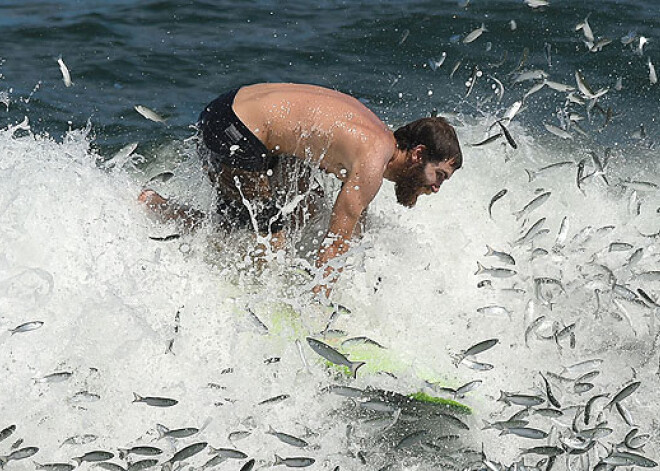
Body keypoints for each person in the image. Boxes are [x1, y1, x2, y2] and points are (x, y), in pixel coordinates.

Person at [139, 83, 462, 294]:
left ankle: (164, 208)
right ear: (418, 154)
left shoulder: (376, 136)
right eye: (439, 176)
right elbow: (336, 243)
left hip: (234, 111)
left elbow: (350, 220)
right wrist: (319, 311)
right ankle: (155, 206)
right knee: (266, 248)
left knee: (309, 209)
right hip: (235, 130)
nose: (436, 188)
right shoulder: (373, 158)